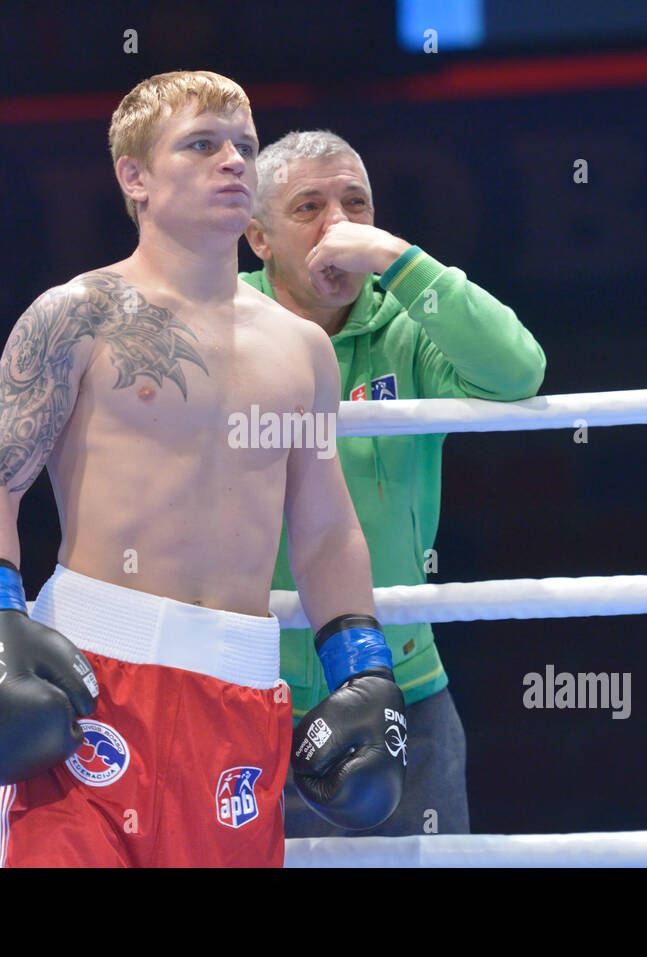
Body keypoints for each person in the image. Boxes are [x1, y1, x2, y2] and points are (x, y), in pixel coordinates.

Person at [0, 74, 407, 867]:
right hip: (91, 683)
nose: (234, 161)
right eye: (202, 144)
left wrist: (364, 672)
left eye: (245, 147)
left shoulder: (301, 350)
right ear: (135, 177)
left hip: (237, 696)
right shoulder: (77, 312)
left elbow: (326, 529)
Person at [242, 130, 546, 837]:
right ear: (258, 237)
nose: (338, 225)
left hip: (403, 687)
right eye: (308, 207)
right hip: (248, 691)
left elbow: (518, 369)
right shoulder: (222, 329)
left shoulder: (409, 328)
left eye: (355, 204)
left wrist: (395, 259)